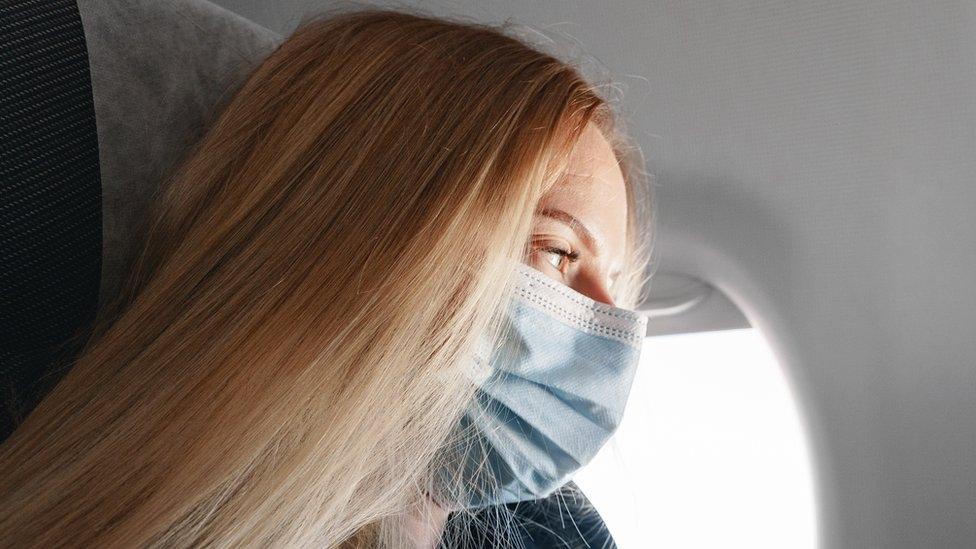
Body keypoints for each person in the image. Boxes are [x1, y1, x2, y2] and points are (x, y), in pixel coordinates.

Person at [0, 6, 653, 548]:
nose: (613, 332)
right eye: (560, 253)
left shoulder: (558, 537)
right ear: (383, 240)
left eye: (616, 287)